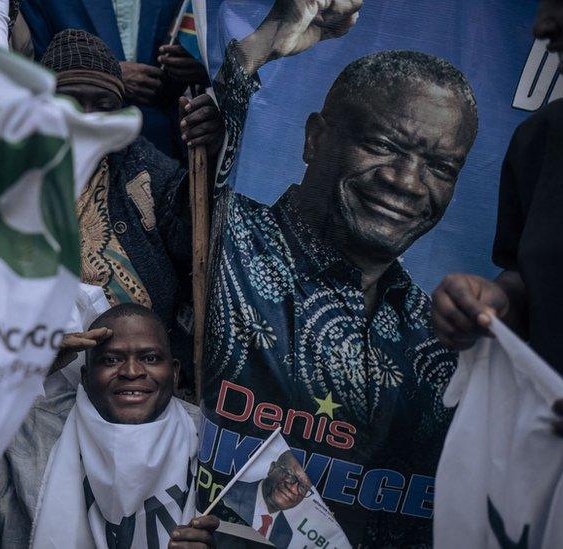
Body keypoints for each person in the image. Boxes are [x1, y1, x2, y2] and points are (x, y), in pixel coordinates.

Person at [192, 0, 480, 544]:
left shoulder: (441, 338)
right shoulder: (226, 235)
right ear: (315, 139)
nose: (407, 182)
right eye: (383, 146)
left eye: (441, 167)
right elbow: (206, 159)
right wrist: (266, 42)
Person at [431, 0, 563, 448]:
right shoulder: (547, 138)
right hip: (555, 480)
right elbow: (538, 290)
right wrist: (495, 304)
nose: (539, 26)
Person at [38, 29, 224, 398]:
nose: (88, 118)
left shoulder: (139, 165)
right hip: (36, 384)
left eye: (104, 105)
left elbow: (191, 239)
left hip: (138, 383)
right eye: (70, 102)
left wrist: (214, 148)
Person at [0, 303, 202, 548]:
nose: (132, 371)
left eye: (150, 358)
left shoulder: (211, 441)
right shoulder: (25, 432)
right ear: (85, 377)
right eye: (111, 360)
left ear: (175, 373)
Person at [19, 0, 209, 157]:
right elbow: (32, 69)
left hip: (165, 151)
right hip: (75, 147)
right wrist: (107, 73)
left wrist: (201, 67)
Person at [221, 451, 312, 547]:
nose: (293, 489)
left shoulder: (286, 533)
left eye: (303, 487)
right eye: (289, 474)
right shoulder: (228, 492)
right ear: (272, 468)